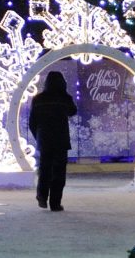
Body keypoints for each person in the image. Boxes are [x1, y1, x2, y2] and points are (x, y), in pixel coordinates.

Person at [26, 70, 78, 211]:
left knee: (45, 170)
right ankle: (55, 203)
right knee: (59, 172)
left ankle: (42, 196)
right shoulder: (64, 98)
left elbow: (32, 122)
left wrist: (39, 137)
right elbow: (73, 111)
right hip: (61, 140)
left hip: (45, 140)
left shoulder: (38, 99)